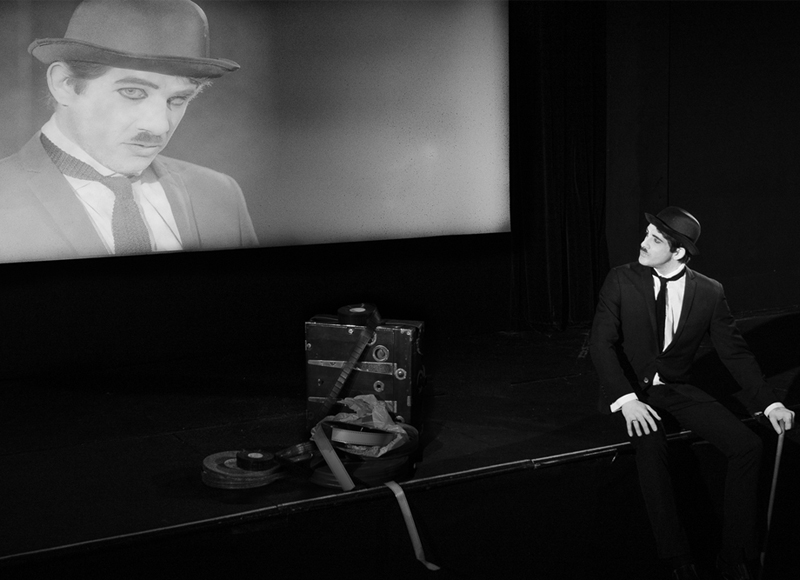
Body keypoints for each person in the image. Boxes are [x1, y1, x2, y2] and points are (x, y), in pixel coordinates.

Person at [590, 207, 795, 580]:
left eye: (655, 239)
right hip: (632, 391)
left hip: (675, 387)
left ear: (679, 251)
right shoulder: (621, 278)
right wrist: (627, 400)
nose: (643, 242)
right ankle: (677, 558)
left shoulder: (709, 291)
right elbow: (600, 344)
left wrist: (770, 402)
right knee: (652, 447)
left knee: (748, 446)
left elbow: (735, 354)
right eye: (647, 233)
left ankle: (734, 555)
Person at [0, 0, 258, 263]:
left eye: (178, 99)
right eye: (133, 92)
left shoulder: (221, 195)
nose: (159, 126)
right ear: (64, 84)